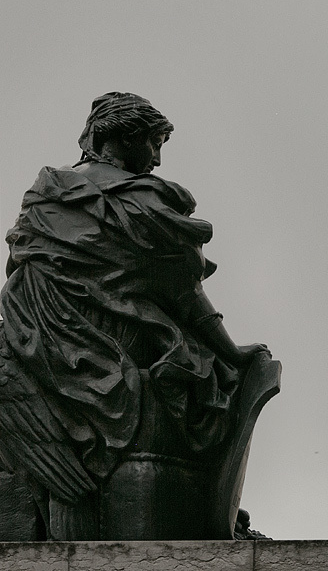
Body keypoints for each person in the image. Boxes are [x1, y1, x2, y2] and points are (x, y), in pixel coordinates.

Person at [0, 92, 273, 539]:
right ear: (119, 137)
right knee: (207, 381)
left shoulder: (44, 197)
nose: (158, 159)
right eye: (154, 142)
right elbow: (184, 294)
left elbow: (23, 284)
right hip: (117, 361)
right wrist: (231, 352)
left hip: (42, 356)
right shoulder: (145, 200)